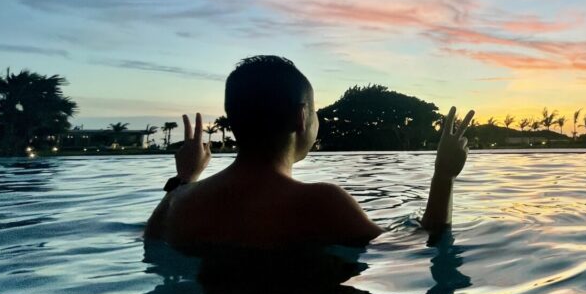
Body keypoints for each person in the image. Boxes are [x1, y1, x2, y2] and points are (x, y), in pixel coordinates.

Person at [144, 55, 474, 250]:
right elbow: (418, 246)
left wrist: (186, 177)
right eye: (316, 112)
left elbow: (152, 241)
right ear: (301, 117)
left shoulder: (180, 204)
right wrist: (443, 176)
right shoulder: (322, 203)